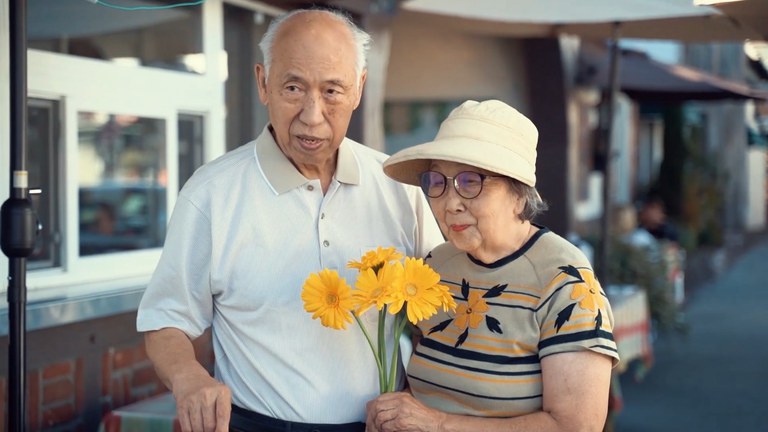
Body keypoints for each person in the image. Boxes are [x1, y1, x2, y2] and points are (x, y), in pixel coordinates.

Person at [136, 8, 443, 432]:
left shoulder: (399, 186)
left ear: (359, 88)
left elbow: (440, 311)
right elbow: (166, 320)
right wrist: (189, 379)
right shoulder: (211, 193)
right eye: (293, 87)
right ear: (263, 83)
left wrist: (420, 398)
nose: (312, 115)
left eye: (333, 91)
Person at [366, 99, 620, 432]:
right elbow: (426, 382)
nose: (450, 203)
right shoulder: (437, 265)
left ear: (519, 195)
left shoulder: (565, 281)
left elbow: (575, 426)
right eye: (437, 182)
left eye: (471, 182)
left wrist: (440, 424)